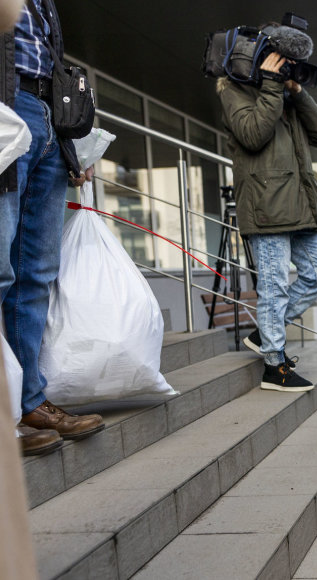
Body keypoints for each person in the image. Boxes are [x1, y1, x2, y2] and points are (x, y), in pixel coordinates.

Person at [2, 0, 103, 457]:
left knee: (37, 273)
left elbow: (49, 59)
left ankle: (28, 402)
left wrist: (73, 143)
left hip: (45, 114)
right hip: (6, 109)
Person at [218, 19, 317, 392]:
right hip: (267, 206)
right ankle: (274, 365)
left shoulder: (285, 95)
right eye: (281, 61)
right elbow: (252, 135)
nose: (285, 69)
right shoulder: (232, 89)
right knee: (274, 287)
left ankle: (266, 332)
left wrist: (297, 92)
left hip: (301, 204)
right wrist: (271, 87)